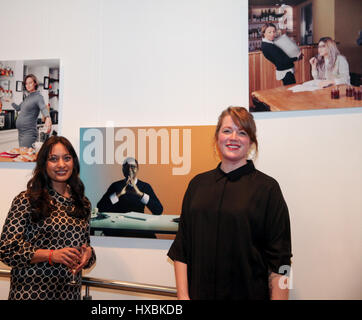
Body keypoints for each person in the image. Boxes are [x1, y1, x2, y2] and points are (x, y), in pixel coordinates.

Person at [168, 107, 292, 300]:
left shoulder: (268, 189)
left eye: (242, 132)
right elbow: (182, 250)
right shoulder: (197, 185)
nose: (233, 137)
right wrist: (183, 297)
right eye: (227, 130)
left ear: (251, 141)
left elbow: (282, 264)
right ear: (217, 137)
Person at [0, 136, 96, 300]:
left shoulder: (82, 203)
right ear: (43, 164)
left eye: (67, 158)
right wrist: (51, 255)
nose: (61, 165)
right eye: (53, 159)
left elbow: (86, 247)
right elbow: (6, 250)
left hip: (69, 294)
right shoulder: (27, 200)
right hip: (31, 294)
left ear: (74, 162)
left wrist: (88, 255)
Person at [97, 157, 163, 215]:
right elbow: (100, 208)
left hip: (137, 226)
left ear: (137, 169)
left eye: (133, 167)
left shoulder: (145, 186)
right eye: (126, 167)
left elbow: (158, 210)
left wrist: (140, 194)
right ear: (122, 169)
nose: (129, 169)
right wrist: (118, 194)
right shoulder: (115, 185)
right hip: (118, 226)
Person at [7, 74, 52, 148]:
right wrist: (11, 101)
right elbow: (18, 108)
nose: (28, 85)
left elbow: (43, 108)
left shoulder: (38, 97)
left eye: (30, 83)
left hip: (29, 132)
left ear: (35, 83)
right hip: (21, 132)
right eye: (26, 83)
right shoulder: (27, 97)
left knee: (27, 155)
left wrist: (48, 117)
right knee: (23, 154)